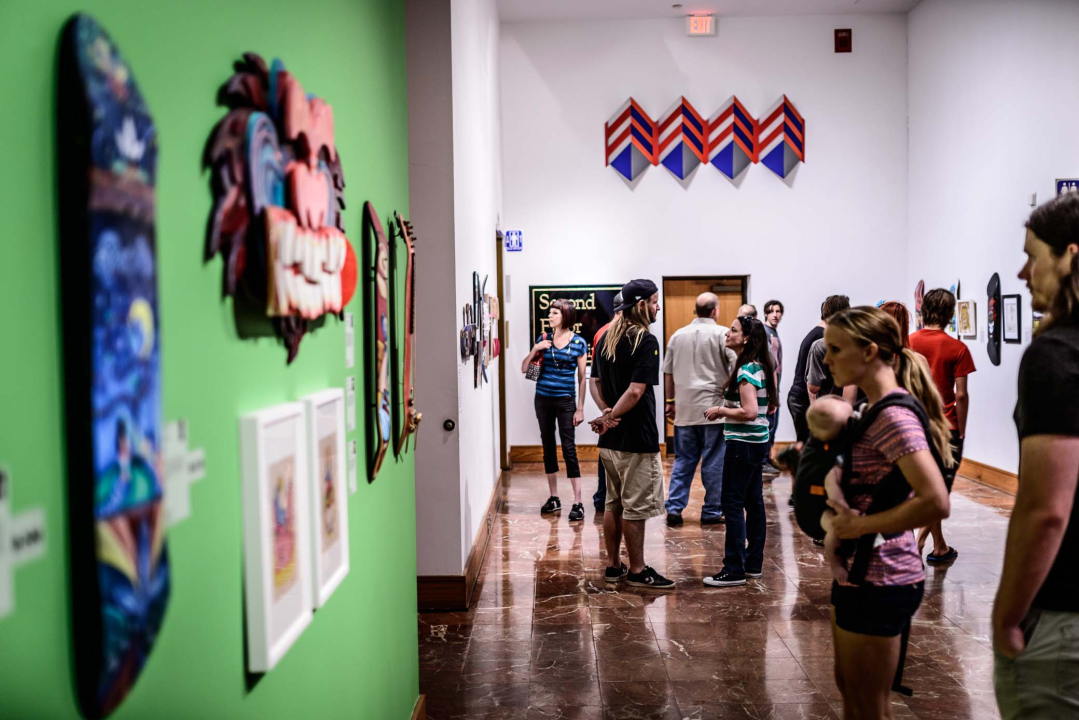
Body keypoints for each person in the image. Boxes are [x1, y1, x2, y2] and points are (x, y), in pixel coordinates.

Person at [820, 307, 952, 720]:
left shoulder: (893, 416)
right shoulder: (874, 410)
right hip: (863, 574)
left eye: (835, 350)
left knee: (869, 705)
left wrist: (859, 525)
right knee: (852, 691)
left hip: (884, 576)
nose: (827, 360)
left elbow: (935, 500)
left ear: (869, 351)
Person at [994, 193, 1079, 718]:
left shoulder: (1057, 355)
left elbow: (1046, 508)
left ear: (1071, 255)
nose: (1023, 272)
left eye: (1033, 254)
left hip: (1065, 614)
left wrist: (1006, 613)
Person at [589, 279, 675, 589]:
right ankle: (638, 571)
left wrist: (606, 414)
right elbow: (636, 391)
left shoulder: (605, 337)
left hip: (610, 441)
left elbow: (594, 383)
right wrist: (611, 415)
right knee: (635, 508)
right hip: (637, 439)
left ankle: (614, 565)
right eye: (654, 301)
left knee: (614, 504)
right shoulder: (644, 340)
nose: (657, 307)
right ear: (640, 305)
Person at [701, 315, 778, 587]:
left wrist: (720, 410)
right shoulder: (758, 366)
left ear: (746, 338)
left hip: (743, 445)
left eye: (732, 331)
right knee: (754, 503)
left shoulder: (747, 370)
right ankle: (752, 563)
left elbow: (750, 412)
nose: (727, 334)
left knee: (732, 504)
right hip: (756, 444)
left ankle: (734, 568)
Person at [909, 290, 975, 565]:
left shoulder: (908, 342)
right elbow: (961, 395)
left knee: (925, 487)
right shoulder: (957, 348)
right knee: (939, 490)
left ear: (923, 311)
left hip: (914, 423)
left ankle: (940, 546)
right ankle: (917, 545)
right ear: (949, 315)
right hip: (945, 425)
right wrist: (961, 428)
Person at [662, 292, 737, 527]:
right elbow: (736, 364)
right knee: (714, 461)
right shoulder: (722, 333)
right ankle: (712, 511)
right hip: (715, 409)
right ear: (714, 310)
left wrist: (670, 401)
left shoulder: (677, 336)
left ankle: (674, 508)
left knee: (684, 460)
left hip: (685, 410)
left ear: (697, 310)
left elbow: (668, 373)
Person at [521, 299, 588, 521]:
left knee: (569, 448)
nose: (550, 316)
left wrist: (580, 408)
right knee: (548, 445)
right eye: (550, 313)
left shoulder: (579, 342)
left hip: (566, 401)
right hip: (543, 400)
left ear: (566, 316)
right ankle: (554, 497)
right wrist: (535, 349)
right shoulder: (543, 339)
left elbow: (582, 378)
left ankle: (578, 502)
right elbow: (525, 369)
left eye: (554, 313)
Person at [787, 295, 851, 444]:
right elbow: (813, 386)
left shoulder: (821, 334)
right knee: (808, 446)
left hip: (806, 395)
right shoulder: (823, 338)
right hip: (804, 396)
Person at [805, 395, 855, 583]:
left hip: (821, 505)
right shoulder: (830, 463)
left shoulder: (822, 450)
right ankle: (839, 569)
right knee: (833, 532)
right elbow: (834, 495)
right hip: (826, 509)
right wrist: (848, 511)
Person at [589, 292, 622, 514]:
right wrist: (607, 410)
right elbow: (595, 378)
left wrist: (605, 410)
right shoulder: (605, 334)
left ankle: (604, 497)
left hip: (612, 406)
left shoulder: (602, 332)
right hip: (616, 406)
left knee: (608, 451)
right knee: (609, 452)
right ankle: (604, 497)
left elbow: (594, 379)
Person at [763, 300, 785, 474]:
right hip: (770, 387)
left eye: (778, 311)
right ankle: (763, 461)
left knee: (773, 424)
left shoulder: (774, 332)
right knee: (769, 424)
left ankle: (768, 458)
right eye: (772, 311)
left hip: (776, 386)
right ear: (766, 314)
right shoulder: (765, 332)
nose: (775, 314)